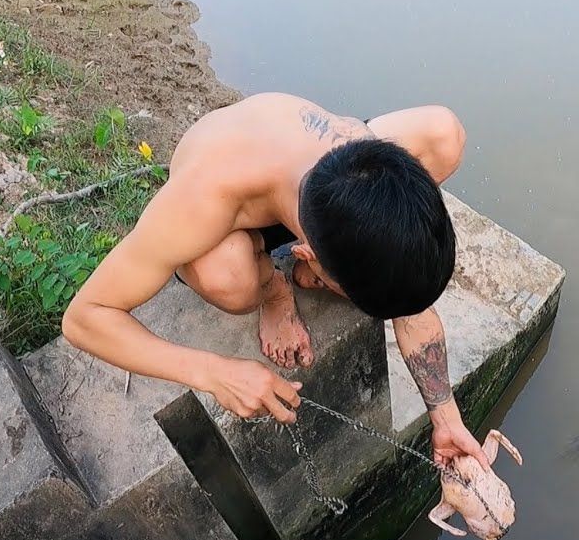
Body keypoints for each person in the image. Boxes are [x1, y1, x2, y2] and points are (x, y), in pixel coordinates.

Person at [62, 92, 490, 470]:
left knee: (444, 134)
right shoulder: (204, 200)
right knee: (225, 275)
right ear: (306, 254)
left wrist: (447, 418)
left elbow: (409, 306)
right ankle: (274, 286)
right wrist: (214, 373)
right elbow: (84, 318)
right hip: (239, 215)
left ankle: (340, 264)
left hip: (312, 183)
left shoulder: (366, 153)